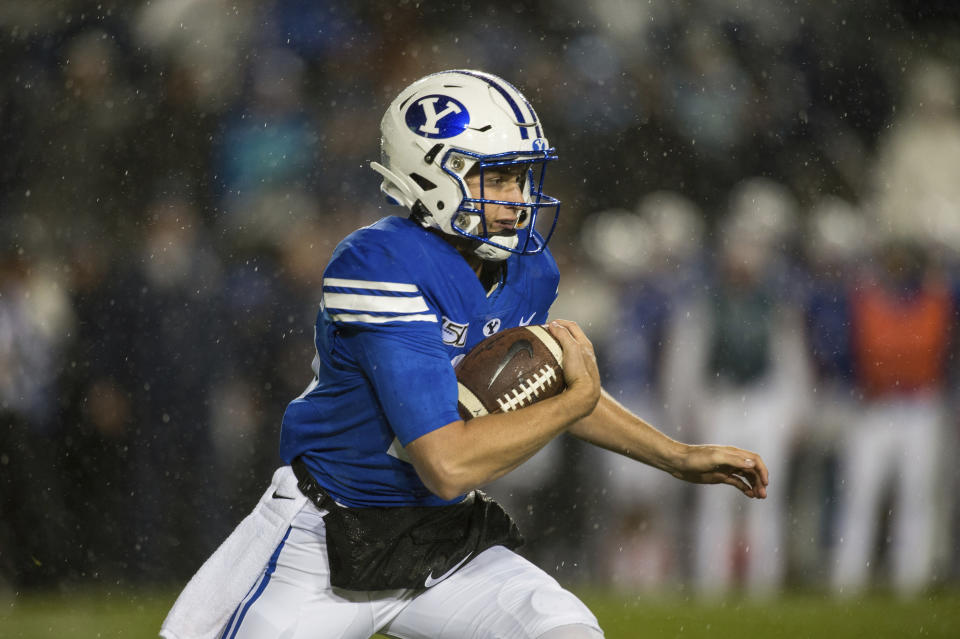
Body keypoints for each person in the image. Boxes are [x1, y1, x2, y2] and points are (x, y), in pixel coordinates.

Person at [161, 69, 768, 639]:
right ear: (430, 173)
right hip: (325, 535)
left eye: (524, 178)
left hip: (439, 537)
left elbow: (549, 383)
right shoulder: (379, 263)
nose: (518, 198)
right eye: (498, 178)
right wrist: (572, 402)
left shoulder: (528, 266)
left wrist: (674, 454)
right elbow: (446, 461)